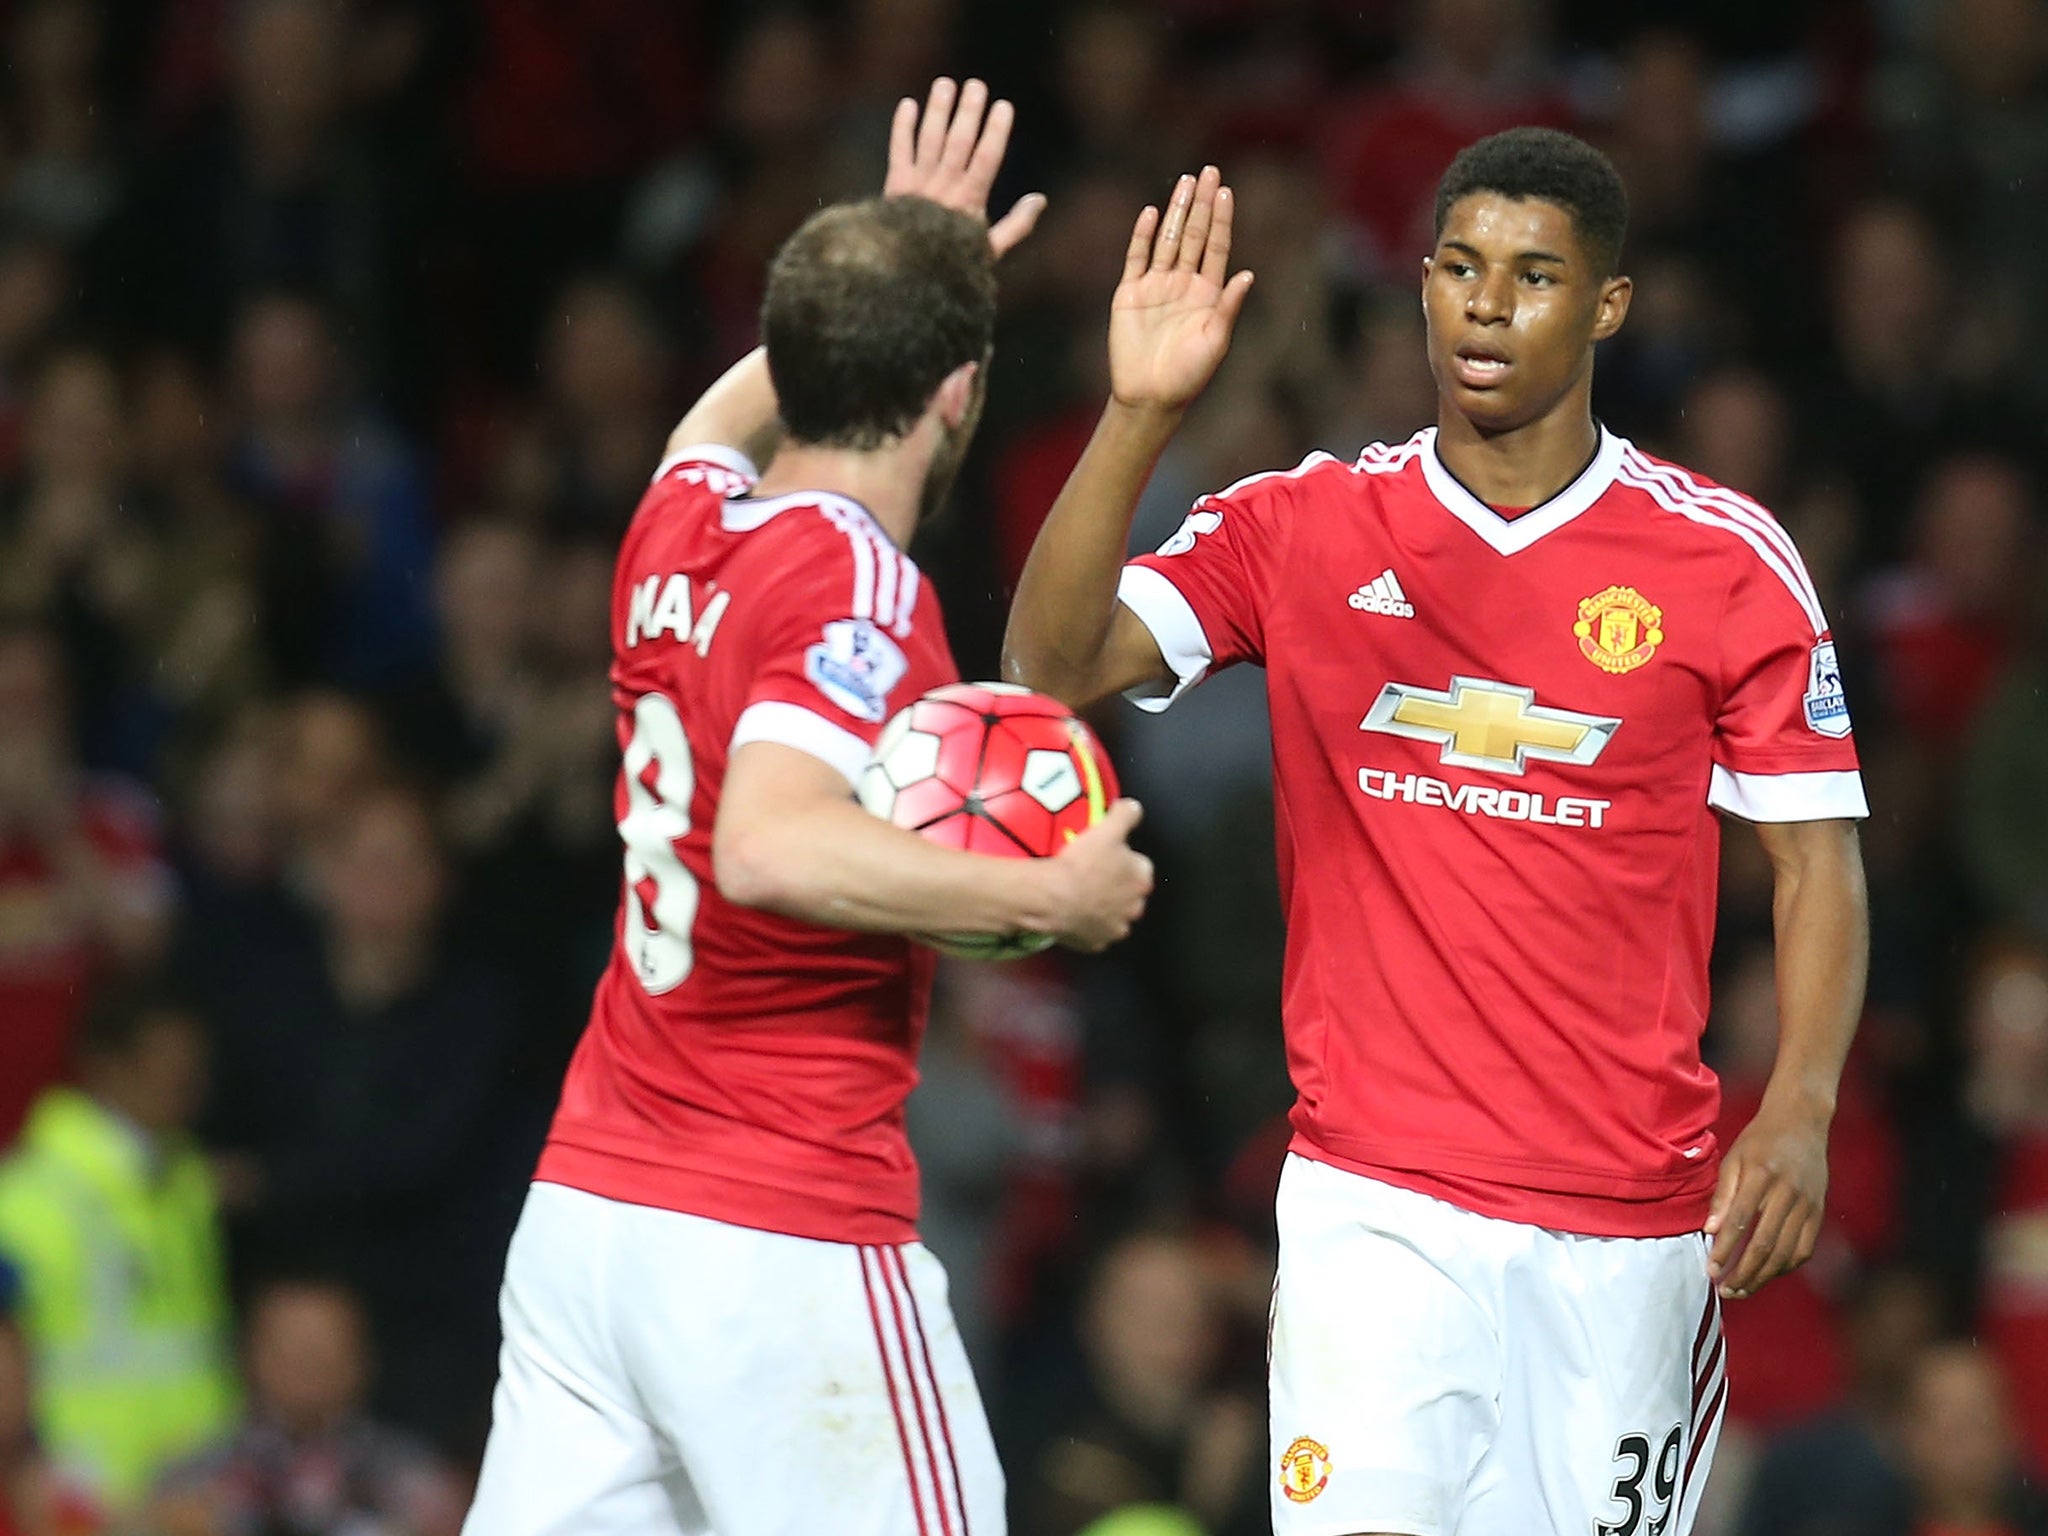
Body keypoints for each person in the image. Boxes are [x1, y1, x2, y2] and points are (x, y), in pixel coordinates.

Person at [1004, 129, 1871, 1536]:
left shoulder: (1722, 562)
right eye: (1460, 268)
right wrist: (1136, 417)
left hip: (1626, 1230)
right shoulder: (1307, 525)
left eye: (1534, 276)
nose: (1486, 302)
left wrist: (1806, 1105)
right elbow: (1051, 662)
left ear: (1608, 307)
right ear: (1419, 287)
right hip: (1375, 1210)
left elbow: (1815, 860)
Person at [461, 79, 1153, 1536]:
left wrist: (904, 251)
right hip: (769, 1226)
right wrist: (1049, 897)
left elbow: (739, 396)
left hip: (592, 1223)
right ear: (961, 391)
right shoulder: (857, 583)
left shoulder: (683, 510)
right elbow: (769, 842)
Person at [0, 983, 238, 1518]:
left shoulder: (185, 1185)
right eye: (169, 1061)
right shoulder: (23, 1195)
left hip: (196, 1489)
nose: (188, 1080)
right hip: (75, 1494)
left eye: (196, 1062)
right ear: (106, 1065)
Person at [150, 1275, 466, 1536]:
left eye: (324, 1350)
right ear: (248, 1355)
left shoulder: (418, 1482)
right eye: (291, 1349)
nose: (308, 1366)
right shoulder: (192, 1482)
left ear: (363, 1358)